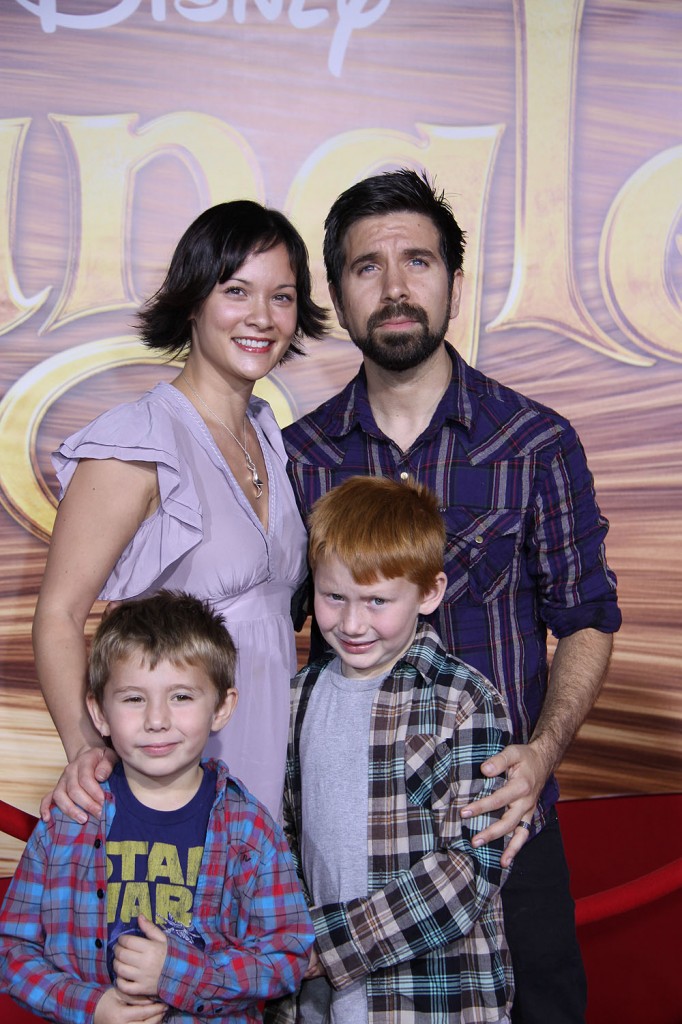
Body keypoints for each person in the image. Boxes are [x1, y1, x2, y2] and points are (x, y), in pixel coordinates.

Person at [282, 169, 622, 1023]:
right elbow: (257, 627)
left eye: (419, 261)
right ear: (338, 292)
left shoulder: (536, 444)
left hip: (508, 832)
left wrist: (541, 757)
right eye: (368, 267)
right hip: (342, 850)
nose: (396, 288)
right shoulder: (296, 456)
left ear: (454, 283)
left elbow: (585, 619)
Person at [33, 200, 327, 823]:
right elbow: (58, 613)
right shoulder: (137, 440)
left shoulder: (270, 437)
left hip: (266, 761)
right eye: (236, 291)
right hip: (164, 775)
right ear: (194, 301)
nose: (261, 317)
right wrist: (85, 749)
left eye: (282, 296)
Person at [0, 590, 314, 1024]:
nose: (156, 719)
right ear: (100, 712)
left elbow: (287, 956)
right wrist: (91, 1006)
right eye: (133, 698)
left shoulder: (249, 829)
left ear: (221, 707)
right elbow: (12, 952)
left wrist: (177, 973)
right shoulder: (70, 819)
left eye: (182, 696)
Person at [273, 476, 514, 1023]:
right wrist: (286, 934)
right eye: (334, 597)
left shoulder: (464, 700)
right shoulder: (296, 697)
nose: (352, 623)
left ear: (429, 593)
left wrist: (323, 946)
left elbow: (472, 867)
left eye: (377, 601)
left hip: (435, 1001)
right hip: (321, 1004)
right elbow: (283, 833)